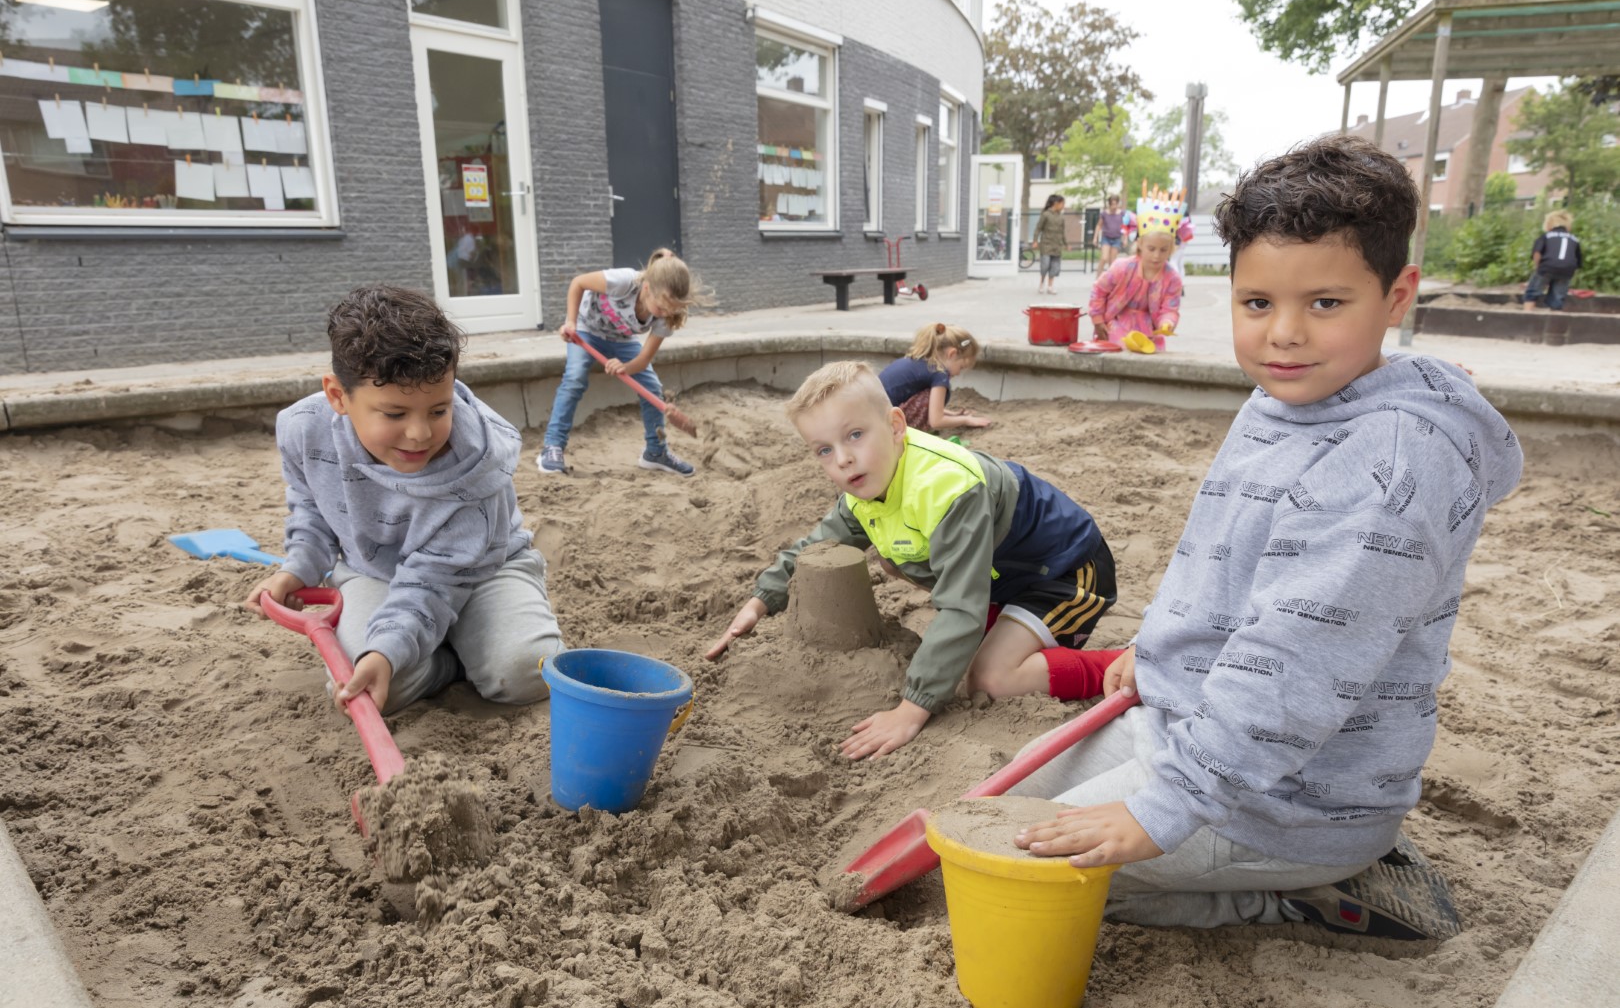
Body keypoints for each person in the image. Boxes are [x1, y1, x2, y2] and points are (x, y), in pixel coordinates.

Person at [1003, 134, 1523, 939]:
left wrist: (1161, 811)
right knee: (998, 810)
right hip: (1198, 728)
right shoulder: (1293, 394)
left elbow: (1296, 665)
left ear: (1396, 296)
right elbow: (1236, 564)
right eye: (1257, 304)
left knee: (1014, 875)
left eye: (1325, 303)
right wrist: (1160, 650)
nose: (1283, 334)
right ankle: (1291, 859)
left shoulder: (1387, 469)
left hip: (1287, 800)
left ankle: (1308, 892)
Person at [705, 361, 1117, 759]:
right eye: (824, 450)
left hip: (1066, 570)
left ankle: (1119, 664)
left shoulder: (947, 488)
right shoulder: (864, 489)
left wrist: (912, 708)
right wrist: (760, 602)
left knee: (988, 678)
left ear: (896, 426)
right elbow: (816, 546)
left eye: (855, 435)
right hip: (1003, 573)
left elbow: (959, 608)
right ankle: (1003, 624)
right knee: (894, 562)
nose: (843, 459)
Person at [243, 286, 564, 715]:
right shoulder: (304, 430)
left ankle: (477, 640)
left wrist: (392, 644)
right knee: (377, 691)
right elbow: (312, 504)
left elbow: (435, 580)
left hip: (479, 572)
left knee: (525, 672)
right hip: (375, 571)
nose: (420, 434)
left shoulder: (475, 468)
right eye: (394, 414)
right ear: (338, 396)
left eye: (438, 410)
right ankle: (448, 663)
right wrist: (300, 566)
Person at [537, 248, 711, 477]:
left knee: (652, 388)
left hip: (621, 339)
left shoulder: (668, 315)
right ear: (647, 288)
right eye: (661, 307)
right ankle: (552, 447)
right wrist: (570, 321)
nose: (665, 313)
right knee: (575, 377)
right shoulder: (623, 282)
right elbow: (578, 283)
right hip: (586, 329)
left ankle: (655, 452)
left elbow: (644, 358)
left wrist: (626, 367)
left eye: (671, 310)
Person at [879, 322, 993, 432]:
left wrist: (951, 415)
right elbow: (936, 421)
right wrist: (966, 420)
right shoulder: (940, 374)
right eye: (961, 367)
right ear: (952, 354)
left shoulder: (915, 360)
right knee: (931, 395)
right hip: (886, 424)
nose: (958, 373)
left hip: (875, 412)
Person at [1088, 228, 1182, 353]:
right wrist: (1097, 319)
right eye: (1151, 249)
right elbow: (1099, 290)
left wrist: (1167, 322)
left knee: (1153, 356)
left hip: (1149, 329)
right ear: (1140, 244)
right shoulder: (1122, 267)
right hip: (1116, 321)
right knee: (1119, 351)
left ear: (1171, 249)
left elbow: (1169, 309)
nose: (1156, 255)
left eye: (1163, 250)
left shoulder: (1172, 279)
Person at [1522, 210, 1583, 312]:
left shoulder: (1546, 236)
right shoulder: (1574, 239)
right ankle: (1554, 318)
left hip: (1547, 267)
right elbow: (1577, 259)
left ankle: (1527, 313)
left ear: (1549, 224)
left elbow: (1537, 252)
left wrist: (1537, 267)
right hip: (1567, 270)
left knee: (1532, 291)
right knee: (1558, 296)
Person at [1034, 194, 1068, 295]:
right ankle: (1041, 284)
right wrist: (1035, 240)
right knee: (1045, 265)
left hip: (1056, 245)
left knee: (1055, 266)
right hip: (1046, 244)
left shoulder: (1061, 217)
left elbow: (1063, 231)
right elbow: (1038, 228)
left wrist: (1065, 243)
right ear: (1056, 203)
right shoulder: (1045, 215)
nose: (1063, 206)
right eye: (1062, 203)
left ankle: (1050, 286)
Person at [1093, 195, 1128, 271]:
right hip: (1106, 238)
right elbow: (1099, 225)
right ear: (1109, 204)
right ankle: (1098, 277)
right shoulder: (1104, 214)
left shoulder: (1122, 213)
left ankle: (1110, 279)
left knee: (1112, 262)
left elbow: (1124, 227)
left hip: (1116, 238)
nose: (1114, 206)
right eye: (1112, 204)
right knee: (1104, 258)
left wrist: (1125, 238)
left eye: (1116, 204)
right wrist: (1095, 237)